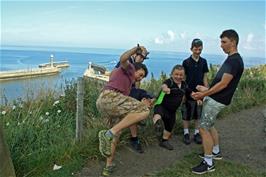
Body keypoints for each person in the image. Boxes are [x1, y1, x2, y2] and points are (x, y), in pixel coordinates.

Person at [191, 29, 244, 174]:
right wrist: (205, 89)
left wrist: (203, 94)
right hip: (217, 98)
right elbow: (221, 81)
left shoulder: (234, 60)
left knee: (203, 128)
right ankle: (215, 151)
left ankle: (208, 163)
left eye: (224, 42)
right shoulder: (234, 59)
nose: (221, 45)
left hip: (217, 100)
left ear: (233, 42)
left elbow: (223, 84)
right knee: (210, 125)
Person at [96, 45, 150, 176]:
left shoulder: (127, 79)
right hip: (111, 97)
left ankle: (108, 166)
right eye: (141, 75)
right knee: (145, 110)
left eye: (143, 77)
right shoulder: (130, 67)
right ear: (136, 69)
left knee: (116, 133)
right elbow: (123, 58)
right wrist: (134, 50)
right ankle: (109, 133)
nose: (140, 78)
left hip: (106, 102)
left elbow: (132, 96)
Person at [114, 44, 150, 153]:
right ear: (134, 54)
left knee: (135, 111)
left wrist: (138, 97)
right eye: (141, 57)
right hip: (120, 93)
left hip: (129, 91)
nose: (142, 60)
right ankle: (117, 141)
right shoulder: (127, 62)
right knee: (125, 116)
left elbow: (137, 83)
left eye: (144, 58)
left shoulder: (137, 66)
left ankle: (133, 138)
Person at [153, 65, 192, 150]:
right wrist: (165, 89)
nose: (178, 77)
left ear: (184, 76)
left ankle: (164, 141)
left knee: (169, 126)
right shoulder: (169, 82)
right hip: (162, 105)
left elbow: (189, 93)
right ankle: (157, 125)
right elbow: (164, 85)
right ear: (171, 74)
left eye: (181, 75)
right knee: (158, 114)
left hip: (172, 110)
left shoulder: (184, 85)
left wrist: (197, 96)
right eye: (176, 74)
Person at [181, 39, 209, 145]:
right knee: (186, 113)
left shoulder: (204, 61)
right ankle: (186, 133)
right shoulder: (186, 62)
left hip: (201, 92)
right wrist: (184, 93)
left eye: (200, 49)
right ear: (191, 49)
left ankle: (197, 133)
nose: (198, 51)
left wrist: (207, 92)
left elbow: (205, 77)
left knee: (198, 113)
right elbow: (183, 79)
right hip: (188, 91)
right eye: (196, 49)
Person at [128, 87, 154, 153]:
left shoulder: (143, 94)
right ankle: (134, 139)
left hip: (137, 100)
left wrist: (149, 100)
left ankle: (134, 139)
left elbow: (144, 93)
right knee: (133, 116)